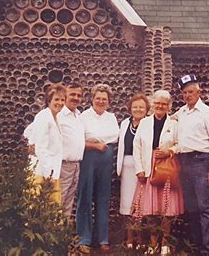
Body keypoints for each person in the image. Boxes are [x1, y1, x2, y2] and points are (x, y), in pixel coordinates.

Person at [131, 90, 184, 255]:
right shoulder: (145, 123)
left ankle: (165, 243)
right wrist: (139, 169)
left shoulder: (174, 124)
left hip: (166, 167)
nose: (160, 106)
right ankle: (153, 243)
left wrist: (169, 151)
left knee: (167, 209)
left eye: (164, 104)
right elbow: (137, 146)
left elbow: (181, 144)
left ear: (169, 106)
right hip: (148, 166)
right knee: (151, 209)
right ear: (152, 105)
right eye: (157, 103)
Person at [175, 75, 209, 255]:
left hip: (201, 162)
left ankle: (207, 250)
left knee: (204, 207)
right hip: (184, 163)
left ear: (198, 92)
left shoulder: (207, 112)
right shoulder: (181, 112)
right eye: (184, 93)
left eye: (191, 92)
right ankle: (196, 248)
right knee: (191, 208)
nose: (187, 96)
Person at [76, 84, 119, 254]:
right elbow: (83, 136)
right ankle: (84, 238)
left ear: (109, 102)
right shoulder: (83, 116)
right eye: (98, 98)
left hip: (105, 158)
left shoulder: (111, 117)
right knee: (85, 196)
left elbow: (114, 135)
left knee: (103, 197)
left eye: (104, 99)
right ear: (92, 99)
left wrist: (95, 139)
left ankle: (102, 238)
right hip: (88, 156)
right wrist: (96, 143)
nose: (101, 101)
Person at [23, 83, 67, 203]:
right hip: (42, 172)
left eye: (63, 100)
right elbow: (41, 148)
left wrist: (31, 142)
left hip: (51, 170)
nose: (60, 103)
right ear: (48, 101)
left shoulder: (54, 117)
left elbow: (28, 132)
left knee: (51, 211)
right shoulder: (43, 117)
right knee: (37, 209)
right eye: (56, 99)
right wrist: (49, 174)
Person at [117, 93, 150, 248]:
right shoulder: (124, 123)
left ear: (147, 109)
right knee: (127, 202)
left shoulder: (149, 124)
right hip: (127, 165)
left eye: (141, 107)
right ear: (130, 108)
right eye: (135, 106)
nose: (138, 109)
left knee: (142, 202)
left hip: (143, 167)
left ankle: (141, 238)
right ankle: (129, 238)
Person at [57, 83, 85, 218]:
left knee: (68, 203)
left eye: (79, 95)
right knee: (58, 201)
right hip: (63, 165)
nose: (76, 98)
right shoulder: (58, 115)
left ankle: (62, 234)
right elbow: (30, 133)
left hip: (76, 165)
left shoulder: (78, 116)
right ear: (65, 96)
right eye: (72, 94)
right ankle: (52, 235)